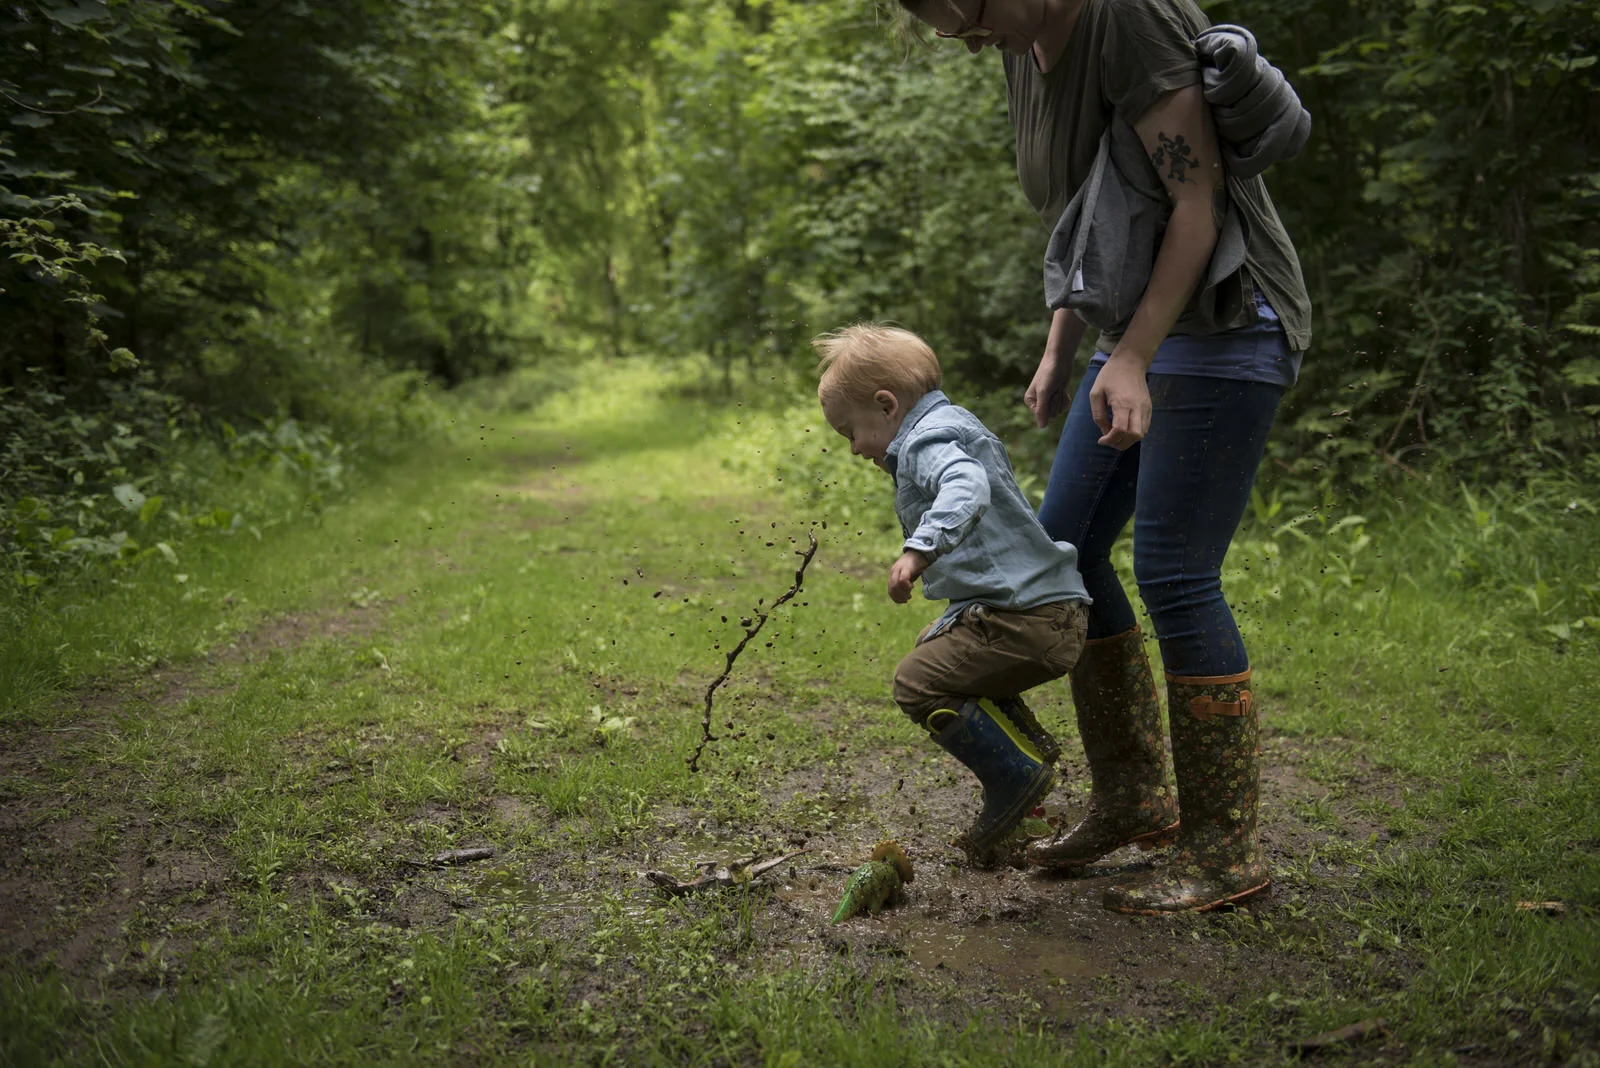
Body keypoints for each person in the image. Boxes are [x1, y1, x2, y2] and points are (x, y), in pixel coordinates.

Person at [896, 0, 1314, 913]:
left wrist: (1131, 356)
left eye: (965, 13)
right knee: (1066, 554)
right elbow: (1097, 212)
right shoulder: (1018, 42)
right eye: (942, 25)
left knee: (1176, 572)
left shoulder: (1124, 18)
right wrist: (1065, 348)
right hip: (1133, 330)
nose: (964, 37)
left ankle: (1224, 848)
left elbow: (1196, 205)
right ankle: (1135, 800)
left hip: (1225, 318)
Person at [815, 323, 1092, 867]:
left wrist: (918, 550)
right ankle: (1027, 749)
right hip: (1050, 611)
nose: (853, 448)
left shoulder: (926, 440)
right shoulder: (955, 422)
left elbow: (966, 486)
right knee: (933, 648)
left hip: (1024, 618)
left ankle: (1015, 778)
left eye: (851, 431)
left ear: (886, 405)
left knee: (916, 682)